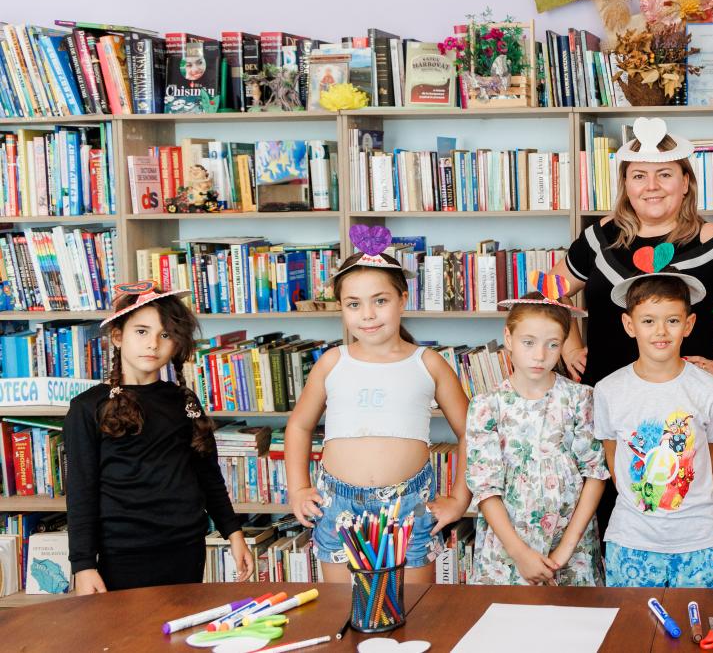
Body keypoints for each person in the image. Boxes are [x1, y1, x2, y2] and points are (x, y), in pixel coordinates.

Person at [285, 225, 471, 585]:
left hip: (409, 503)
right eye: (354, 304)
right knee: (340, 606)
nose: (367, 314)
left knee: (417, 608)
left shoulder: (428, 362)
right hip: (337, 502)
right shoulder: (331, 363)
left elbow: (469, 431)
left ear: (403, 299)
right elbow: (299, 426)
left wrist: (459, 498)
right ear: (341, 307)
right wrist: (297, 489)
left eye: (380, 301)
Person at [547, 116, 713, 387]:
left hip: (683, 409)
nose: (651, 186)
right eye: (639, 176)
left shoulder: (711, 242)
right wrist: (571, 348)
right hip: (603, 399)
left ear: (685, 183)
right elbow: (550, 291)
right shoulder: (601, 236)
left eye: (664, 174)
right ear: (626, 185)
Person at [65, 281, 254, 592]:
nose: (153, 343)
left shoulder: (184, 400)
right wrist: (83, 565)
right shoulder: (87, 408)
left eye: (165, 335)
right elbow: (81, 492)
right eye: (141, 331)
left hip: (185, 547)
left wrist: (234, 533)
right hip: (122, 554)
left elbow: (208, 475)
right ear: (117, 336)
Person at [593, 256, 713, 587]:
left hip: (699, 538)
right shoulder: (609, 389)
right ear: (630, 325)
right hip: (632, 538)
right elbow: (611, 451)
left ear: (688, 324)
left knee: (696, 628)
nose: (660, 331)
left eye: (672, 320)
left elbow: (712, 450)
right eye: (648, 321)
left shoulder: (707, 387)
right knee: (632, 631)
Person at [464, 280, 609, 585]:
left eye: (552, 344)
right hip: (507, 554)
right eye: (528, 342)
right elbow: (485, 487)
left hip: (572, 549)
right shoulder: (487, 405)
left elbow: (595, 473)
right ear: (509, 338)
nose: (540, 355)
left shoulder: (581, 398)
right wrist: (520, 554)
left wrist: (566, 549)